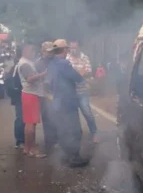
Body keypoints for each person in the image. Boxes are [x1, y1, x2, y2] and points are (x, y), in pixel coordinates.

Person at [48, 39, 88, 167]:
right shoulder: (64, 63)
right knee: (74, 130)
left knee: (63, 130)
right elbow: (76, 77)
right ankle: (74, 158)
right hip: (67, 102)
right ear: (64, 50)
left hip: (58, 102)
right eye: (67, 49)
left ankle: (66, 155)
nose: (68, 51)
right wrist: (83, 79)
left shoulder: (52, 63)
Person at [17, 43, 47, 158]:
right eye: (32, 51)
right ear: (25, 51)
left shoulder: (26, 62)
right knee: (31, 125)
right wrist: (43, 74)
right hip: (31, 95)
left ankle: (27, 148)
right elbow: (29, 79)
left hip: (29, 95)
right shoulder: (25, 64)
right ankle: (33, 150)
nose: (34, 53)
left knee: (29, 124)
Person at [66, 40, 99, 143]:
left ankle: (94, 133)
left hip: (82, 91)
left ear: (79, 47)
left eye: (75, 48)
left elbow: (88, 72)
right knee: (72, 115)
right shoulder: (67, 58)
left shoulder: (85, 58)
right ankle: (75, 135)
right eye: (72, 48)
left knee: (87, 113)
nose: (73, 50)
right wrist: (79, 73)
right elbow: (67, 74)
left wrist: (75, 73)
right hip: (70, 92)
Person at [37, 41, 57, 154]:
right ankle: (49, 142)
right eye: (48, 51)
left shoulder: (55, 61)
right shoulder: (38, 63)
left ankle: (57, 139)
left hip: (56, 93)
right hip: (45, 94)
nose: (50, 54)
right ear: (43, 51)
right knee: (47, 118)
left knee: (57, 117)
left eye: (52, 51)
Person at [6, 52, 25, 149]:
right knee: (21, 118)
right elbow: (12, 83)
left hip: (23, 95)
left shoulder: (18, 66)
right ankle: (20, 141)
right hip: (19, 96)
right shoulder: (17, 67)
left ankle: (24, 140)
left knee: (24, 118)